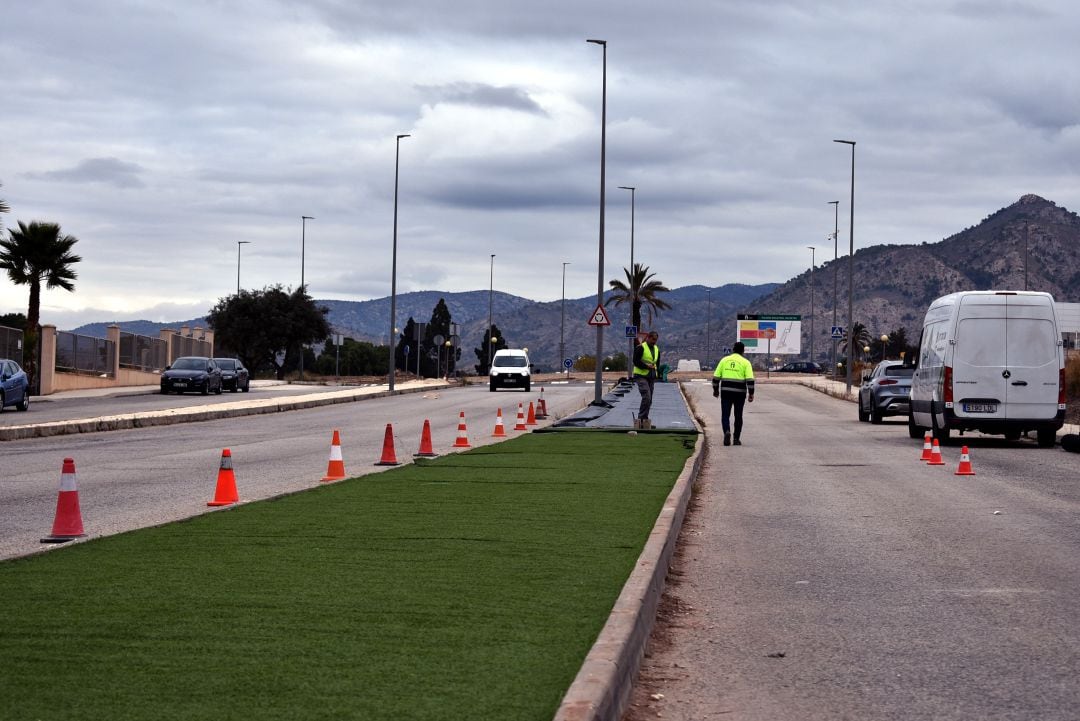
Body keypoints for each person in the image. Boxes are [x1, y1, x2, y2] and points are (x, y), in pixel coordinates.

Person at [713, 341, 755, 446]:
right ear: (743, 351)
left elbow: (716, 377)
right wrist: (751, 393)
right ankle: (736, 439)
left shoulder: (724, 360)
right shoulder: (746, 362)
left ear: (733, 349)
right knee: (738, 415)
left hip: (726, 392)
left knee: (725, 414)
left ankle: (726, 431)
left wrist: (716, 390)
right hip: (740, 393)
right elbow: (750, 380)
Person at [632, 330, 660, 429]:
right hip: (640, 375)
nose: (654, 341)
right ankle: (641, 420)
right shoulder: (640, 348)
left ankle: (645, 420)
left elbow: (657, 363)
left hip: (651, 377)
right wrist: (646, 366)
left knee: (650, 399)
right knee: (647, 397)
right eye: (653, 339)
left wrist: (658, 375)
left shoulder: (656, 349)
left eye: (656, 340)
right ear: (648, 337)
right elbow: (635, 361)